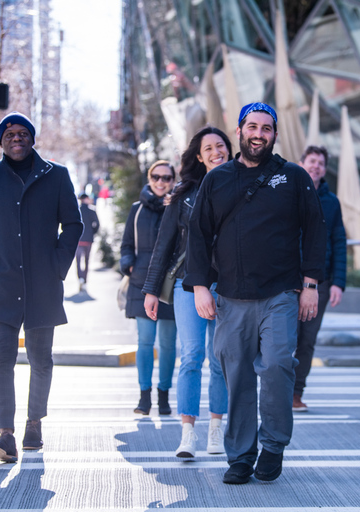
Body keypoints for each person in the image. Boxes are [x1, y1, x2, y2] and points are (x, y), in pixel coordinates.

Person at [185, 103, 326, 484]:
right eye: (252, 126)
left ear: (275, 134)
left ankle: (274, 445)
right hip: (230, 296)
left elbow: (315, 231)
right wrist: (200, 286)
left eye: (266, 127)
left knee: (279, 365)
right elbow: (198, 234)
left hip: (281, 293)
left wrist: (311, 285)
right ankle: (241, 456)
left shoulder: (293, 177)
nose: (259, 133)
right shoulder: (217, 179)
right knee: (237, 377)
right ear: (239, 130)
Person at [0, 112, 84, 463]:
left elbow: (74, 225)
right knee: (0, 359)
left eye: (23, 133)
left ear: (32, 139)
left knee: (40, 360)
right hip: (1, 286)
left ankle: (34, 423)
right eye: (10, 134)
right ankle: (5, 435)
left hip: (43, 287)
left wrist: (57, 267)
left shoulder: (56, 175)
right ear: (0, 140)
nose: (17, 138)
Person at [143, 127, 232, 459]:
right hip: (186, 284)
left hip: (228, 287)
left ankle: (215, 431)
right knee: (191, 357)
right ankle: (187, 434)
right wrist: (151, 291)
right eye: (208, 148)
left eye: (220, 146)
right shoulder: (184, 194)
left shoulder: (242, 186)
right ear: (199, 156)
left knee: (220, 359)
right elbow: (165, 243)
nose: (215, 152)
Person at [120, 161, 178, 416]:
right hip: (141, 283)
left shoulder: (178, 207)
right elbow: (125, 245)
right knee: (144, 342)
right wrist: (128, 265)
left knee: (167, 344)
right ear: (149, 177)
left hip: (171, 284)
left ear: (173, 180)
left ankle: (163, 396)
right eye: (156, 177)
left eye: (166, 177)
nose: (161, 181)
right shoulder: (137, 210)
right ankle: (144, 397)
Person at [292, 145, 347, 413]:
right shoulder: (289, 194)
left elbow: (339, 241)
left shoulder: (331, 202)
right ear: (301, 163)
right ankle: (277, 390)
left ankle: (296, 393)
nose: (316, 166)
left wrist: (339, 282)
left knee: (307, 340)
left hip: (321, 283)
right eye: (312, 161)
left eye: (321, 163)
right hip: (288, 280)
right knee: (284, 338)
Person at [76, 193, 100, 293]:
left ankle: (80, 278)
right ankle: (85, 280)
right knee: (87, 261)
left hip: (78, 240)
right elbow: (97, 224)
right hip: (88, 240)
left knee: (78, 261)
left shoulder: (77, 210)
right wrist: (92, 233)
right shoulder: (91, 211)